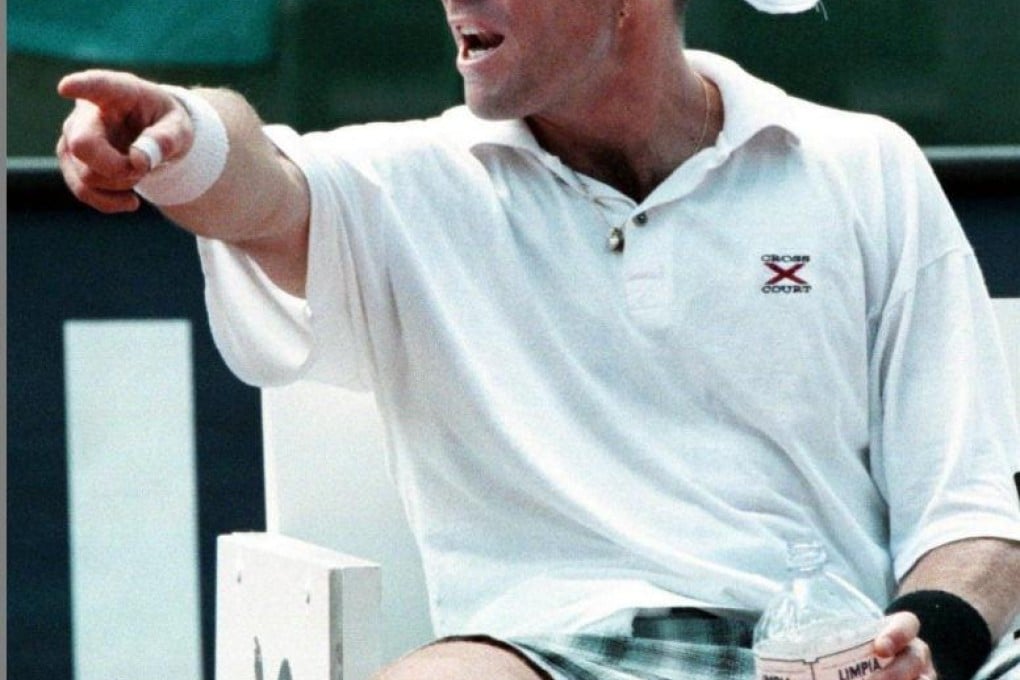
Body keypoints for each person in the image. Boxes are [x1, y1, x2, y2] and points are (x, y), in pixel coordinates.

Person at [56, 0, 1020, 678]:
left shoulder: (868, 167)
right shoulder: (404, 182)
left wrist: (923, 650)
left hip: (830, 660)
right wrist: (180, 136)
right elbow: (255, 174)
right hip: (540, 654)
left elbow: (976, 521)